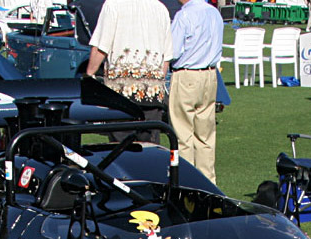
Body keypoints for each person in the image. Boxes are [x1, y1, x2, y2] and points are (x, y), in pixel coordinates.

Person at [86, 0, 172, 143]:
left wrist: (89, 75)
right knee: (150, 150)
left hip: (120, 94)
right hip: (151, 92)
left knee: (120, 151)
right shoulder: (161, 9)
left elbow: (101, 47)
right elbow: (166, 57)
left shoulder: (112, 5)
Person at [169, 0, 223, 184]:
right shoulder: (214, 13)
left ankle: (186, 182)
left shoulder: (184, 15)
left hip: (187, 74)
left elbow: (173, 51)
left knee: (183, 134)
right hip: (210, 75)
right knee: (206, 136)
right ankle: (208, 182)